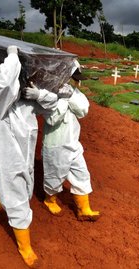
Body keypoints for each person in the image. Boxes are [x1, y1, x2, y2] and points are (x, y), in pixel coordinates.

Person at [0, 45, 61, 268]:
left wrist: (40, 93)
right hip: (8, 156)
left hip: (25, 154)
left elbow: (52, 106)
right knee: (16, 196)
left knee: (23, 191)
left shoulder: (28, 101)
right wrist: (13, 56)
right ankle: (25, 247)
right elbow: (4, 84)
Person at [41, 61, 101, 221]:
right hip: (56, 143)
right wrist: (62, 98)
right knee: (55, 175)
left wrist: (70, 95)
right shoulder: (48, 93)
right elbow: (53, 118)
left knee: (81, 173)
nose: (76, 81)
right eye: (73, 78)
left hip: (73, 142)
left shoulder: (73, 92)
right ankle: (49, 200)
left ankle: (84, 209)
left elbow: (83, 110)